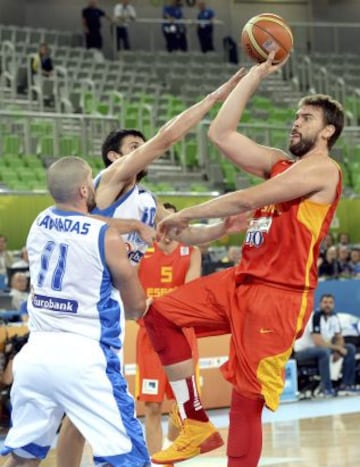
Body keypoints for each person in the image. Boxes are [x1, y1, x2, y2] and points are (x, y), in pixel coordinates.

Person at [142, 52, 345, 466]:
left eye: (306, 118)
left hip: (280, 294)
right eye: (296, 115)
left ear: (328, 131)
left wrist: (188, 212)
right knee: (160, 314)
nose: (296, 121)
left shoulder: (325, 171)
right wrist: (254, 76)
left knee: (245, 400)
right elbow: (221, 133)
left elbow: (250, 198)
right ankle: (195, 422)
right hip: (241, 280)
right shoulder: (280, 165)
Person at [55, 68, 247, 466]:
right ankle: (175, 432)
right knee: (104, 403)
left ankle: (183, 423)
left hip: (108, 306)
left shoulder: (147, 200)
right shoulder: (109, 180)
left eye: (142, 146)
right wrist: (216, 96)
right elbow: (167, 137)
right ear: (114, 156)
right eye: (133, 146)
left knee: (78, 409)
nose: (143, 150)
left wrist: (221, 228)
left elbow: (183, 236)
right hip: (84, 300)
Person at [0, 156, 150, 466]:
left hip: (36, 356)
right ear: (84, 190)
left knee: (24, 456)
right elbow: (135, 307)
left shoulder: (39, 221)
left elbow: (83, 223)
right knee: (126, 457)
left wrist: (133, 225)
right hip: (85, 358)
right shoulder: (106, 237)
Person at [136, 202, 202, 455]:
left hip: (181, 333)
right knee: (152, 406)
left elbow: (190, 290)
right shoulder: (141, 251)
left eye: (174, 221)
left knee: (183, 404)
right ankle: (157, 460)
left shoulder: (192, 251)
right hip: (150, 336)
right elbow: (132, 289)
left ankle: (171, 449)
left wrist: (162, 306)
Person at [294, 294, 357, 396]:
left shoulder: (334, 317)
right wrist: (338, 348)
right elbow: (318, 342)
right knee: (323, 352)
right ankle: (326, 388)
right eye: (325, 302)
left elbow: (339, 337)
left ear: (334, 304)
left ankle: (346, 386)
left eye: (330, 303)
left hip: (323, 349)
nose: (328, 305)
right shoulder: (315, 316)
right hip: (303, 351)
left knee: (350, 348)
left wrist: (339, 348)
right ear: (320, 304)